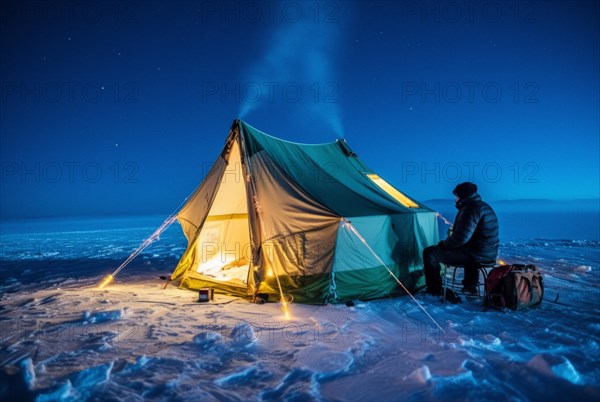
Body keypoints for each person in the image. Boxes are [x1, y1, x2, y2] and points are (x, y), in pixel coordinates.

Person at [423, 182, 499, 303]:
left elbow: (461, 238)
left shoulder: (471, 209)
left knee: (430, 253)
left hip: (476, 255)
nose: (455, 199)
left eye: (457, 196)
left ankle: (434, 290)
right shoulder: (483, 207)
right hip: (487, 254)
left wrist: (443, 245)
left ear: (463, 196)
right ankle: (470, 287)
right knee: (469, 252)